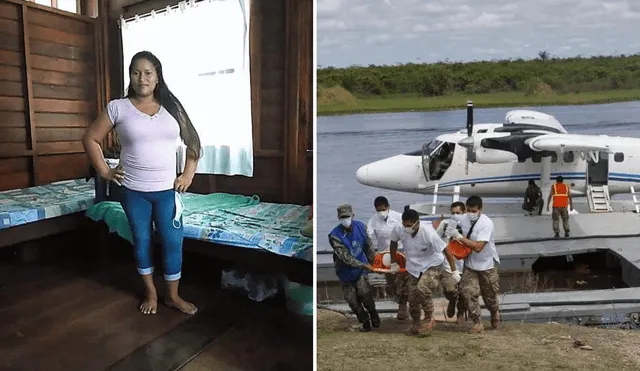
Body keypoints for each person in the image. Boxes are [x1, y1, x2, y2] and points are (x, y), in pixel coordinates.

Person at [82, 51, 202, 315]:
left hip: (167, 193)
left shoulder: (172, 108)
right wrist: (105, 171)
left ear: (157, 76)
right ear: (130, 76)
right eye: (136, 72)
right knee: (142, 240)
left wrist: (187, 175)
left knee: (172, 241)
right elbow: (90, 138)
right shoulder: (118, 107)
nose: (142, 78)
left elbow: (194, 143)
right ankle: (150, 292)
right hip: (134, 191)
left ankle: (172, 296)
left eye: (148, 72)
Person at [389, 208, 461, 336]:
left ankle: (429, 318)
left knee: (422, 288)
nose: (406, 228)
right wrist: (393, 262)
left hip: (433, 264)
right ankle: (416, 323)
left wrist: (454, 270)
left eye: (409, 225)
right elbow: (393, 242)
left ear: (417, 223)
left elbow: (446, 250)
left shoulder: (428, 232)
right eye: (404, 225)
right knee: (412, 297)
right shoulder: (399, 228)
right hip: (413, 267)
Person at [446, 195, 501, 334]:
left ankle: (494, 311)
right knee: (468, 292)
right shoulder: (463, 219)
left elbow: (478, 247)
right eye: (469, 210)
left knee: (490, 296)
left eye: (474, 210)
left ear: (480, 209)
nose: (471, 213)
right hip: (470, 264)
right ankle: (477, 322)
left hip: (486, 264)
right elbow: (451, 224)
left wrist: (460, 237)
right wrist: (450, 231)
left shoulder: (486, 224)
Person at [328, 204, 380, 332]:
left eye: (347, 216)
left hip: (360, 270)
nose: (345, 219)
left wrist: (375, 264)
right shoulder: (334, 235)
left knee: (364, 293)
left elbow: (369, 248)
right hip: (345, 272)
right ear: (339, 218)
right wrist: (365, 265)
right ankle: (364, 321)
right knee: (352, 301)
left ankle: (373, 314)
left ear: (353, 215)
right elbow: (345, 257)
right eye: (342, 217)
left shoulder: (361, 227)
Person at [366, 196, 409, 320]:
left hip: (401, 252)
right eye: (378, 210)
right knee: (391, 283)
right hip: (384, 254)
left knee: (401, 280)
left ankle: (402, 308)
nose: (381, 213)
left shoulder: (398, 217)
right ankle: (399, 300)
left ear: (388, 207)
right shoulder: (373, 220)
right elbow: (368, 235)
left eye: (383, 209)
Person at [434, 201, 469, 324]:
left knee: (466, 293)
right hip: (448, 264)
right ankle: (452, 300)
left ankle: (460, 313)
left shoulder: (469, 226)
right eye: (453, 213)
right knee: (449, 290)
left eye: (458, 213)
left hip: (465, 264)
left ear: (464, 212)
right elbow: (435, 239)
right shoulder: (444, 224)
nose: (455, 215)